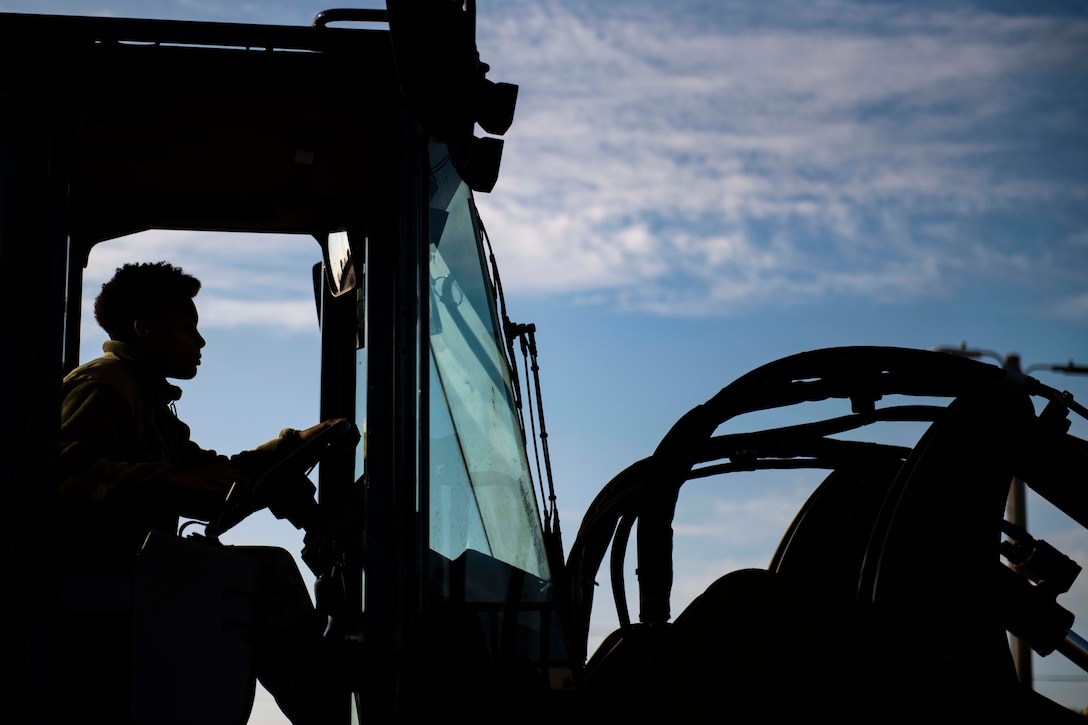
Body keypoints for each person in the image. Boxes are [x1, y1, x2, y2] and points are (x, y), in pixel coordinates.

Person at [56, 261, 347, 724]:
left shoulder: (149, 401)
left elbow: (211, 476)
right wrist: (169, 480)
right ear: (145, 329)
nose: (201, 340)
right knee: (268, 571)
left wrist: (295, 445)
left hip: (139, 575)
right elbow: (54, 473)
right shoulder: (105, 386)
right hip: (108, 579)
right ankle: (332, 717)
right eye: (187, 327)